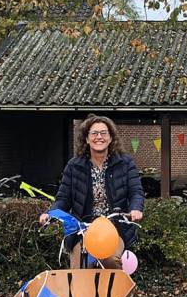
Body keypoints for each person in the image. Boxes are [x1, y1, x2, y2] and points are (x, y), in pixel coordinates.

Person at [39, 115, 144, 268]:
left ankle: (115, 291)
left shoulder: (125, 163)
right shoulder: (74, 166)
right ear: (87, 139)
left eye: (103, 133)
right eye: (94, 133)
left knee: (111, 262)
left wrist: (136, 209)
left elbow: (136, 191)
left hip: (113, 228)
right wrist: (50, 213)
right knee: (78, 271)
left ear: (110, 138)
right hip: (83, 230)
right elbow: (63, 198)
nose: (99, 137)